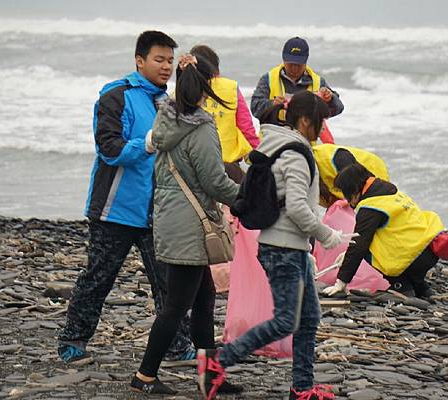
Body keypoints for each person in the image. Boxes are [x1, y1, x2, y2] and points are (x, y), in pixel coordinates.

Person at [196, 91, 355, 400]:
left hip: (286, 246)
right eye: (320, 122)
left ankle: (302, 388)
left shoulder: (275, 144)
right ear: (306, 121)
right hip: (283, 248)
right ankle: (218, 362)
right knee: (286, 320)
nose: (323, 129)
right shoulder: (295, 153)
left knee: (308, 318)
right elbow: (296, 207)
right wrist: (327, 235)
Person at [57, 31, 178, 363]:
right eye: (159, 59)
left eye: (170, 60)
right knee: (97, 278)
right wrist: (149, 143)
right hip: (115, 210)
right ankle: (73, 340)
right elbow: (108, 149)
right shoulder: (116, 95)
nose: (166, 67)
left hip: (159, 210)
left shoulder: (168, 102)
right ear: (139, 60)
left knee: (169, 283)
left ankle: (177, 344)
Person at [130, 54, 242, 395]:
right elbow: (214, 181)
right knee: (177, 307)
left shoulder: (165, 120)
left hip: (171, 219)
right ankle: (145, 376)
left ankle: (209, 377)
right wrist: (247, 197)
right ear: (206, 89)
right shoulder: (202, 126)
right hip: (191, 226)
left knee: (204, 299)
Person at [323, 163, 444, 299]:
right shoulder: (390, 191)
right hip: (430, 250)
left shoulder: (371, 207)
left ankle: (401, 285)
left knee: (366, 248)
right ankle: (421, 287)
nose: (347, 200)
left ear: (354, 188)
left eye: (346, 193)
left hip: (413, 257)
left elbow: (359, 245)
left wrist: (341, 281)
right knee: (384, 240)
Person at [190, 44, 259, 183]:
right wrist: (260, 157)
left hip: (193, 169)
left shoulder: (180, 92)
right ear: (216, 67)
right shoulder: (230, 88)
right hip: (228, 168)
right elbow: (246, 127)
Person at [250, 37, 344, 125]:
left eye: (299, 64)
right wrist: (272, 104)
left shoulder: (318, 82)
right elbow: (255, 108)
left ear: (306, 60)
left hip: (306, 141)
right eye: (291, 63)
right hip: (274, 138)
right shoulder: (268, 79)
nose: (294, 68)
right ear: (283, 59)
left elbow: (338, 108)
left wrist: (330, 99)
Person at [312, 143, 389, 208]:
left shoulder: (333, 158)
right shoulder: (306, 178)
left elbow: (360, 187)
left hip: (371, 170)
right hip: (350, 189)